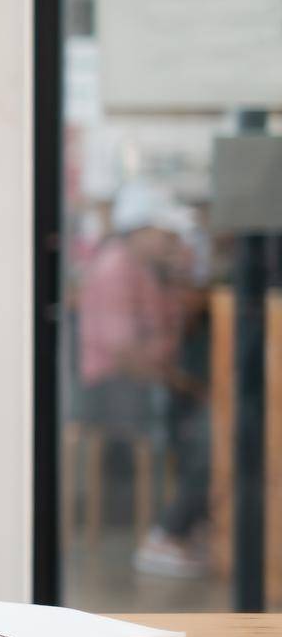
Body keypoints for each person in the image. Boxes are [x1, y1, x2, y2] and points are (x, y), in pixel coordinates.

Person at [74, 179, 207, 577]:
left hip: (143, 382)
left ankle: (184, 524)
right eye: (164, 232)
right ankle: (167, 533)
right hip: (113, 389)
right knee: (207, 431)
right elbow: (127, 354)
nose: (172, 239)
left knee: (206, 416)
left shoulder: (149, 268)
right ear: (139, 229)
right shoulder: (116, 269)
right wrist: (180, 381)